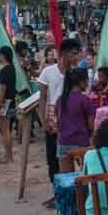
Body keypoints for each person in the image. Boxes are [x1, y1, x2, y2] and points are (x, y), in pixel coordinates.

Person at [36, 37, 82, 177]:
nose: (76, 57)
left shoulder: (76, 73)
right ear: (64, 54)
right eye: (73, 53)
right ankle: (57, 189)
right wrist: (43, 120)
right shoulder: (48, 72)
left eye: (77, 53)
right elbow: (42, 97)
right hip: (52, 117)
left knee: (73, 154)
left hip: (72, 118)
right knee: (53, 156)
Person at [56, 66, 96, 160]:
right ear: (82, 82)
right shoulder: (85, 100)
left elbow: (58, 121)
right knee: (84, 173)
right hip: (80, 141)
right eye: (87, 81)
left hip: (63, 141)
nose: (87, 83)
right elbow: (91, 125)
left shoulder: (61, 99)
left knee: (65, 174)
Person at [0, 45, 22, 164]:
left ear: (3, 55)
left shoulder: (5, 70)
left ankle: (8, 156)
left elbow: (2, 89)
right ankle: (7, 154)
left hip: (5, 102)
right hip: (11, 101)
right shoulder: (11, 68)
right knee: (4, 129)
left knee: (5, 129)